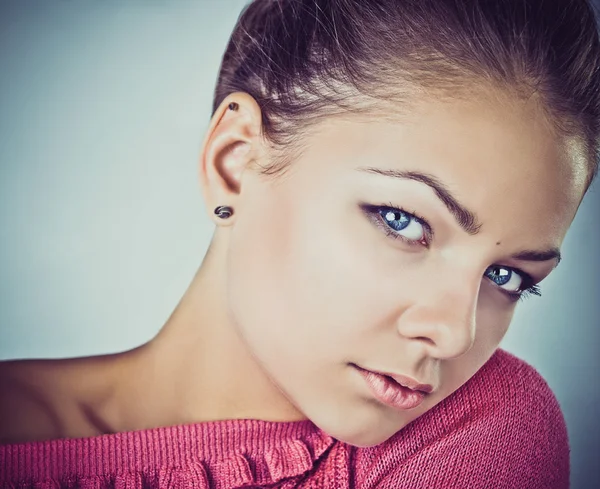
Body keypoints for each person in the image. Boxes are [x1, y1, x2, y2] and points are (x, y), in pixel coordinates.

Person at [1, 0, 599, 487]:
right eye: (401, 220)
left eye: (507, 277)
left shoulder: (477, 428)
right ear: (234, 163)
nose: (454, 334)